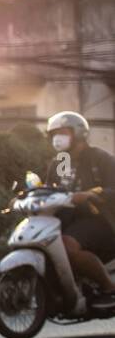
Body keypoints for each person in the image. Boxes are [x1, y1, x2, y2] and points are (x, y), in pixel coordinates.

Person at [43, 111, 115, 301]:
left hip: (99, 220)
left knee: (66, 246)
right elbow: (54, 189)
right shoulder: (61, 161)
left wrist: (93, 194)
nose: (57, 138)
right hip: (67, 221)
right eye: (54, 134)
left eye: (63, 133)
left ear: (78, 133)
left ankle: (109, 287)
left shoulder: (99, 158)